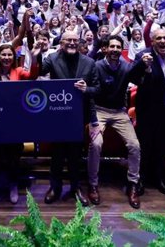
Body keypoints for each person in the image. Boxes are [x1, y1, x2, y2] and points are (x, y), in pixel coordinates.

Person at [39, 30, 99, 207]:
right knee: (56, 154)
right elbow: (39, 71)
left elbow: (97, 88)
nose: (72, 43)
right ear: (61, 43)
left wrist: (86, 89)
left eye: (75, 40)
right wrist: (37, 54)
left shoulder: (89, 62)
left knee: (75, 155)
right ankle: (55, 188)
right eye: (68, 41)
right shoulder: (52, 59)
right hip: (57, 114)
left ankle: (75, 188)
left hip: (78, 116)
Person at [87, 35, 142, 209]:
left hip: (120, 112)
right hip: (99, 110)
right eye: (112, 46)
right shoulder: (96, 66)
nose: (115, 50)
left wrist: (144, 67)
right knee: (96, 144)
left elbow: (140, 79)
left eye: (118, 47)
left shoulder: (127, 67)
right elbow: (90, 92)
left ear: (121, 49)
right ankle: (93, 183)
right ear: (106, 48)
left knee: (135, 145)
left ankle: (133, 183)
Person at [0, 43, 40, 204]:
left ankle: (13, 185)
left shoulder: (19, 72)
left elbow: (33, 76)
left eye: (10, 55)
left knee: (14, 156)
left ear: (13, 57)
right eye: (4, 55)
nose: (7, 58)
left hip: (15, 122)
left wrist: (35, 57)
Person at [130, 28, 165, 196]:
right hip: (147, 109)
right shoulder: (143, 55)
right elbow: (132, 77)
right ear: (152, 41)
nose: (162, 41)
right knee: (144, 145)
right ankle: (141, 179)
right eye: (158, 38)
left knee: (161, 145)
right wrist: (141, 66)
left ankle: (159, 178)